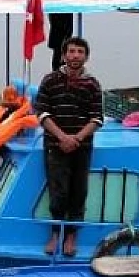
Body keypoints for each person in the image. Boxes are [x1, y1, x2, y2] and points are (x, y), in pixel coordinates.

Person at [32, 36, 103, 257]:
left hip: (82, 147)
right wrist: (62, 137)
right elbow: (42, 114)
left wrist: (76, 139)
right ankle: (55, 233)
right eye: (71, 52)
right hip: (55, 146)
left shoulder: (92, 84)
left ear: (86, 57)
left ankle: (72, 236)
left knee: (78, 192)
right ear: (64, 55)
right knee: (58, 192)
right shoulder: (50, 80)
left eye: (80, 52)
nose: (75, 56)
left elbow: (97, 118)